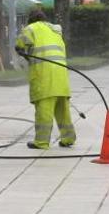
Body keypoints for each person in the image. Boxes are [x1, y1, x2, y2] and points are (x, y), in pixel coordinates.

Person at [15, 9, 76, 149]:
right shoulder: (55, 31)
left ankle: (41, 142)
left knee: (44, 111)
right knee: (63, 111)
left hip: (44, 77)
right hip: (61, 75)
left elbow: (19, 45)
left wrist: (21, 51)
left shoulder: (31, 28)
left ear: (31, 20)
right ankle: (68, 138)